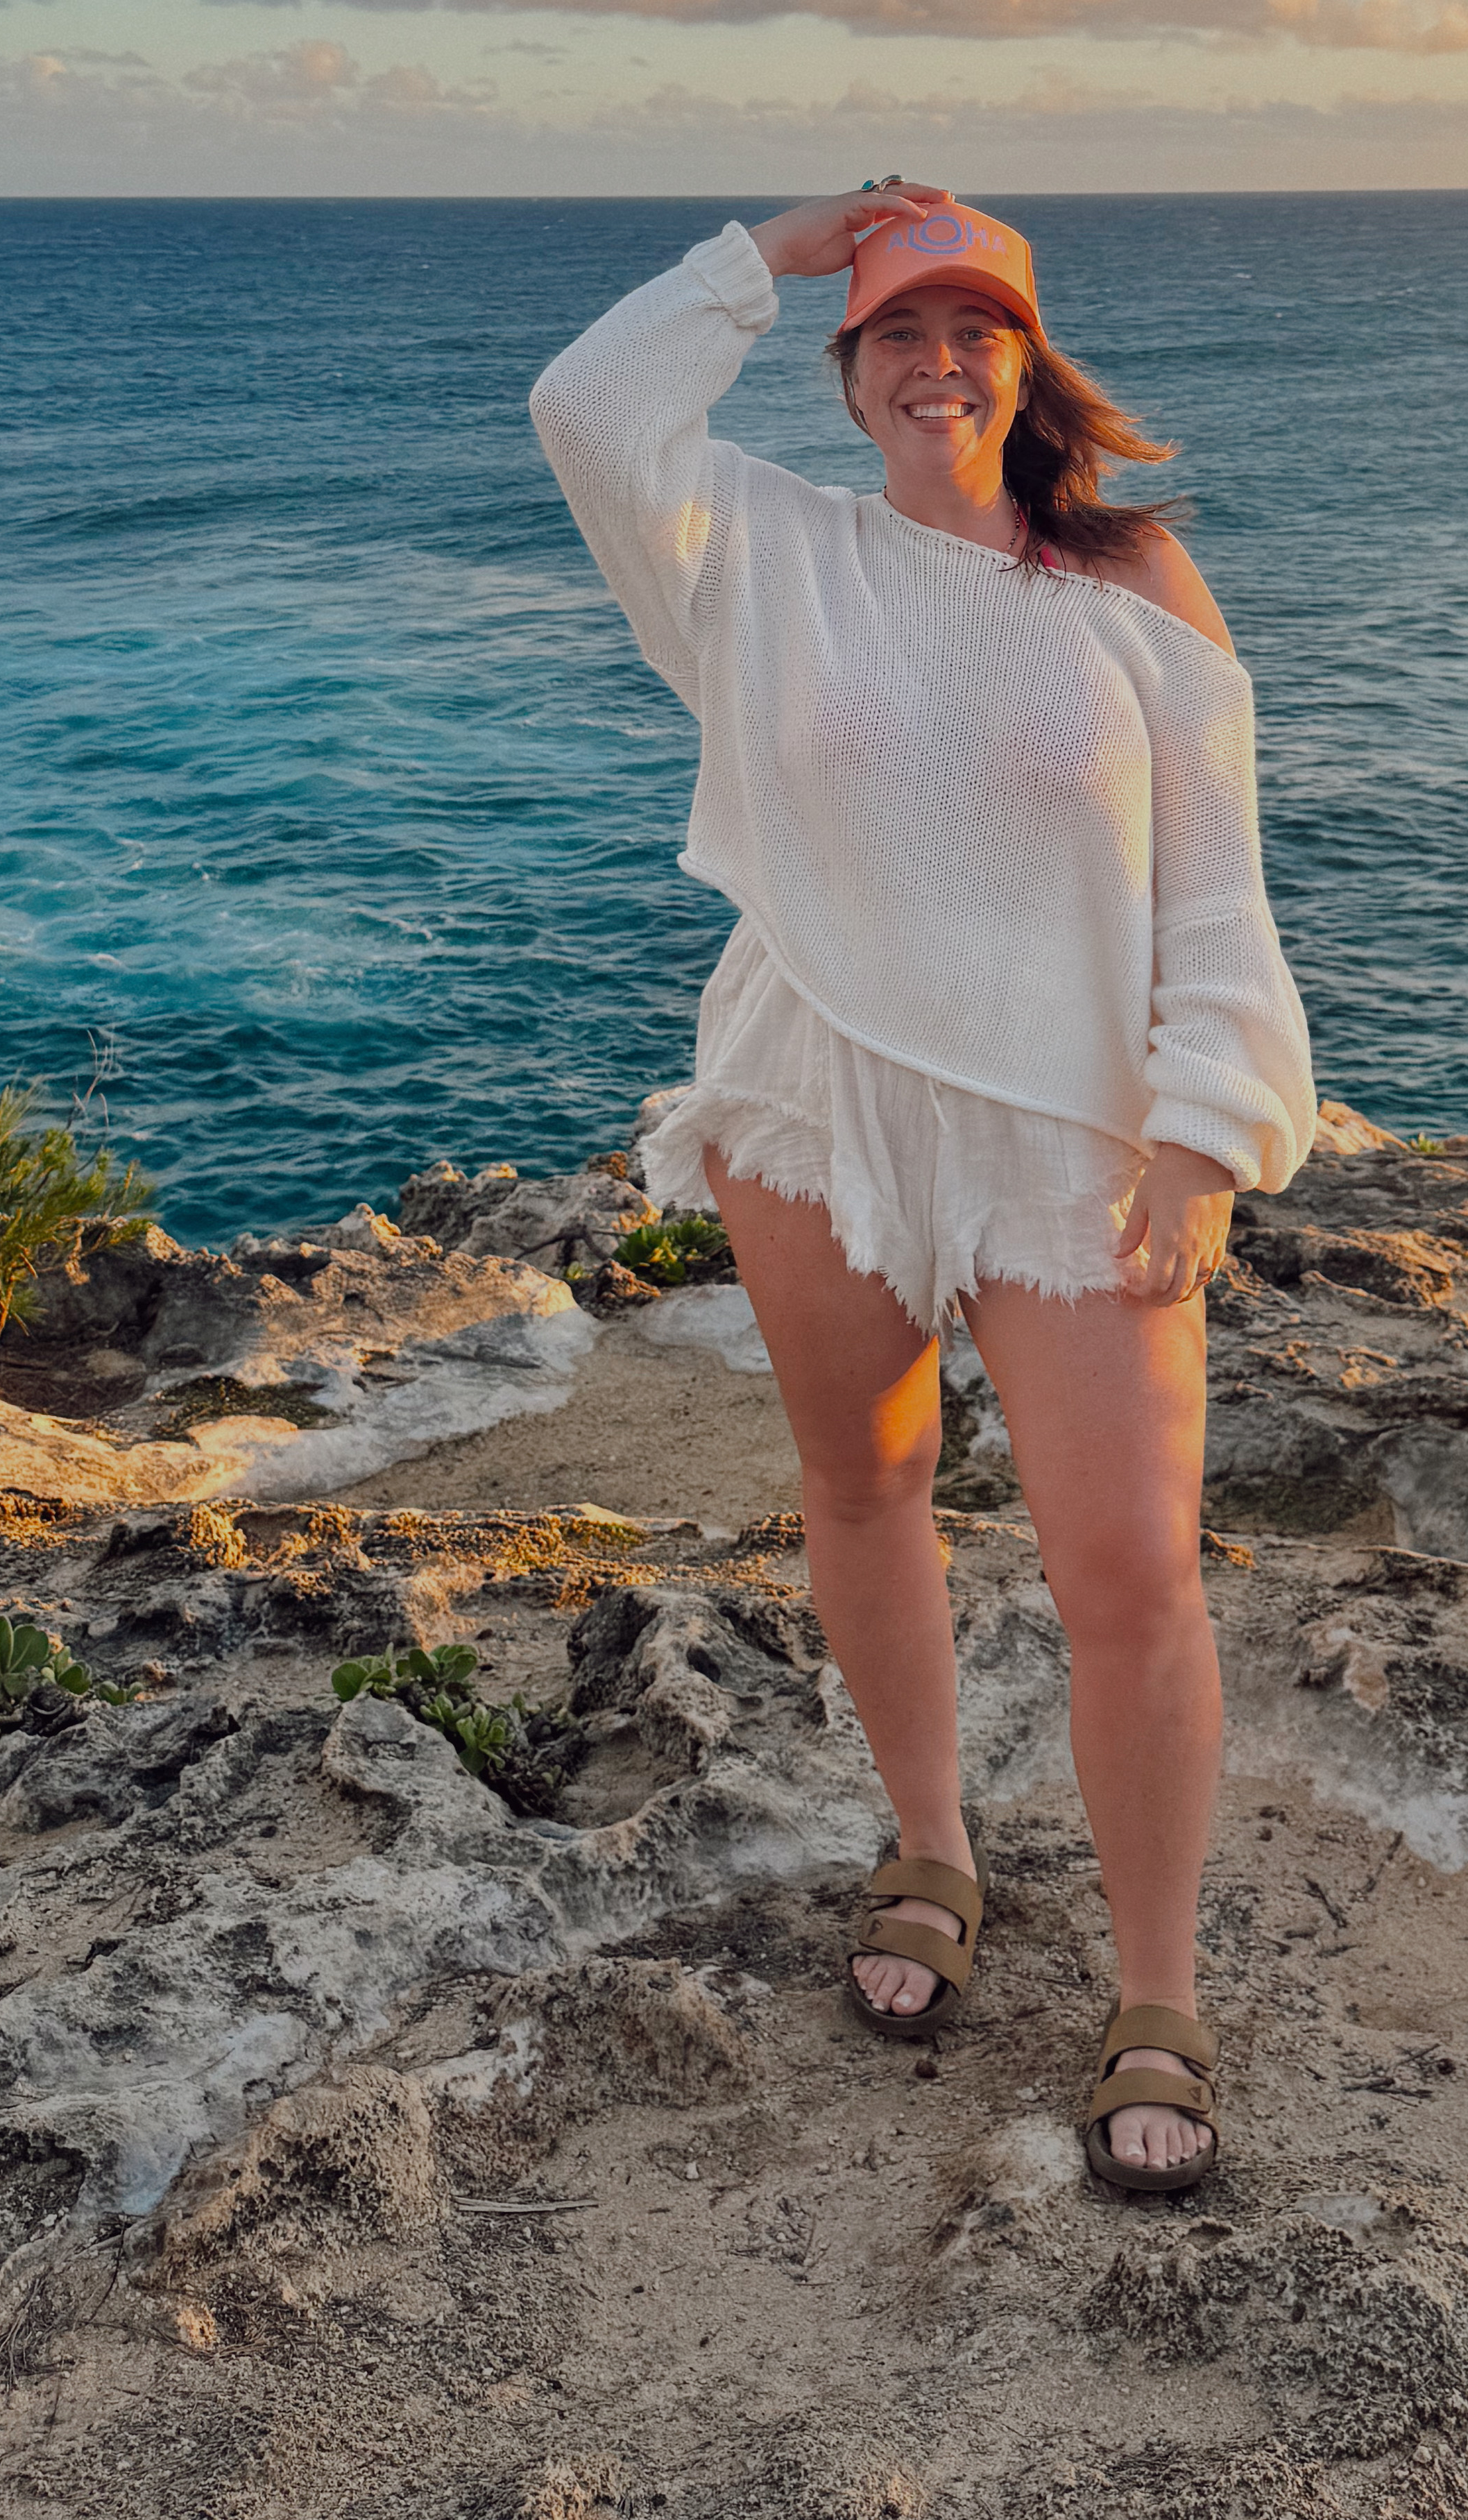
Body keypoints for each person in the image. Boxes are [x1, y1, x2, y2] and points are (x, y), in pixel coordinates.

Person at [529, 178, 1313, 2197]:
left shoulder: (1129, 577)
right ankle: (933, 1849)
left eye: (972, 328)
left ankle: (1156, 1989)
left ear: (1024, 363)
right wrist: (766, 252)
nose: (935, 358)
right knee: (866, 1481)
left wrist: (1204, 1124)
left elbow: (1214, 880)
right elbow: (588, 408)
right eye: (893, 329)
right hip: (816, 1094)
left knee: (1126, 1572)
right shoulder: (762, 555)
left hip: (1072, 1130)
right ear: (849, 371)